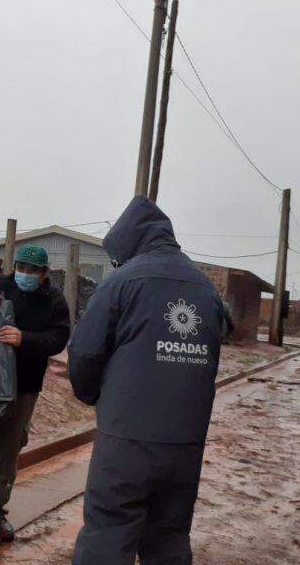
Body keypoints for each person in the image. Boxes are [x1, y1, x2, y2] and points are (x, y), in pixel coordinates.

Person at [68, 196, 223, 565]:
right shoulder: (206, 290)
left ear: (128, 242)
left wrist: (90, 394)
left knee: (109, 534)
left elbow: (85, 353)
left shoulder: (121, 282)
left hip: (127, 442)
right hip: (186, 443)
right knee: (168, 538)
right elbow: (212, 358)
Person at [0, 244, 71, 544]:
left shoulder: (54, 301)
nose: (26, 274)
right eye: (21, 267)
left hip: (23, 386)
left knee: (8, 450)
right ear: (14, 266)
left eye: (33, 270)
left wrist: (26, 339)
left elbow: (59, 338)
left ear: (45, 274)